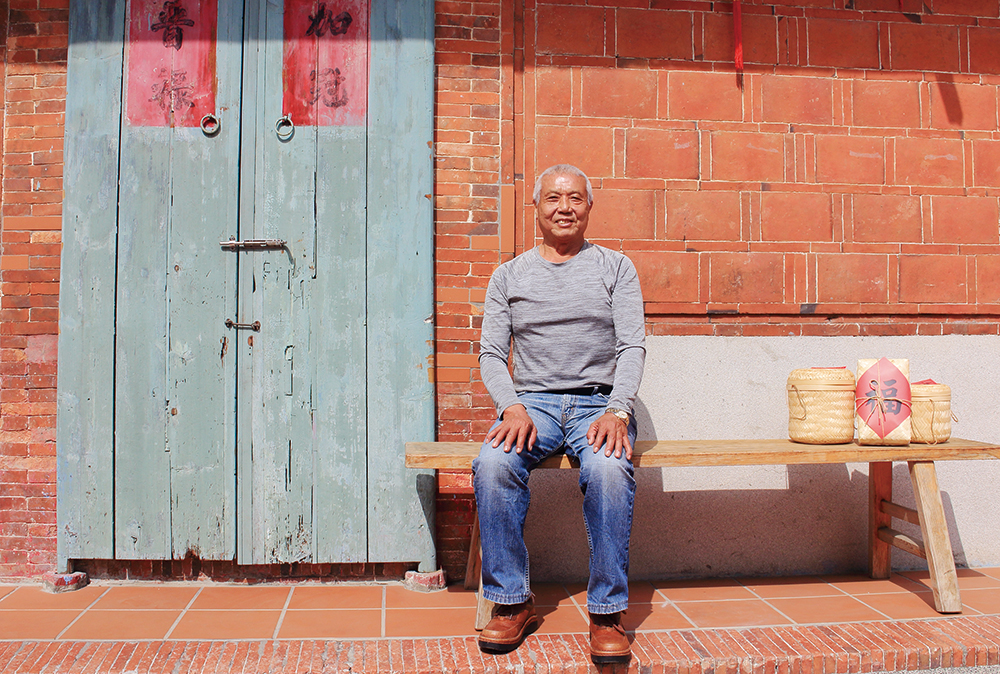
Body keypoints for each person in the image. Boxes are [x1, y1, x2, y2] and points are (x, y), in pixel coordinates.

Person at [472, 164, 646, 664]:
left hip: (598, 404)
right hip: (534, 406)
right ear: (536, 207)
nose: (564, 207)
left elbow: (632, 345)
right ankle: (510, 601)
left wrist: (618, 409)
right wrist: (510, 405)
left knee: (610, 470)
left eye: (574, 198)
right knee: (493, 464)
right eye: (553, 198)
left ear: (589, 207)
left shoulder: (616, 267)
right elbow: (489, 352)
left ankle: (607, 613)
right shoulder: (509, 275)